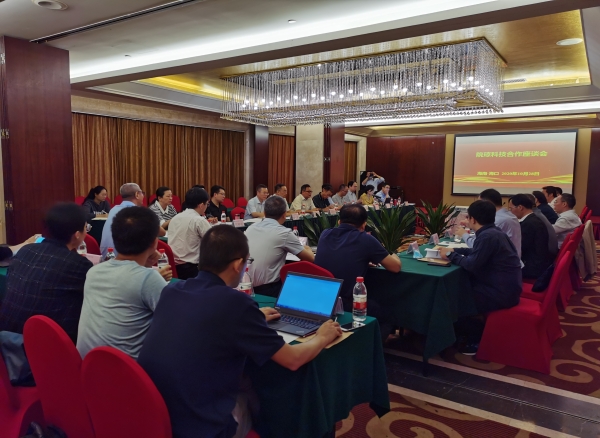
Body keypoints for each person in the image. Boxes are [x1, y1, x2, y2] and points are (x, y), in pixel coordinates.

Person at [137, 225, 342, 438]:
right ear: (237, 265)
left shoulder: (172, 290)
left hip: (159, 413)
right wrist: (322, 337)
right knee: (266, 399)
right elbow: (293, 360)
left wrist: (253, 319)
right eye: (247, 262)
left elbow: (208, 320)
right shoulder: (235, 303)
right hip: (204, 425)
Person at [77, 207, 172, 359]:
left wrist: (145, 266)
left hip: (89, 366)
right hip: (126, 370)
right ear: (155, 242)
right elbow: (175, 322)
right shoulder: (148, 279)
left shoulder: (94, 272)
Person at [0, 203, 93, 342]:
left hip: (7, 339)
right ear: (77, 234)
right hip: (44, 344)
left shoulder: (26, 250)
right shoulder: (80, 265)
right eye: (86, 227)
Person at [439, 201, 522, 354]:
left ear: (473, 219)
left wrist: (450, 254)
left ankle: (473, 338)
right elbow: (477, 253)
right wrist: (455, 250)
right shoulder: (493, 232)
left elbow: (471, 265)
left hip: (500, 294)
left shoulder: (487, 236)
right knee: (458, 289)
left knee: (452, 297)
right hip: (506, 287)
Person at [315, 204, 401, 336]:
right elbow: (395, 267)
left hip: (319, 298)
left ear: (339, 221)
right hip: (344, 304)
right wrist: (394, 255)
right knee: (387, 315)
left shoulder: (325, 234)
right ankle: (372, 347)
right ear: (364, 225)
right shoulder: (366, 239)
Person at [244, 196, 314, 297]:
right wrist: (307, 248)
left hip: (245, 286)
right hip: (268, 290)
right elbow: (310, 258)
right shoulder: (284, 233)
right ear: (284, 215)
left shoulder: (250, 228)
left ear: (264, 212)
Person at [456, 188, 521, 259]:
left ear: (488, 204)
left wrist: (464, 234)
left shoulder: (498, 220)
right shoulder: (509, 215)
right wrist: (472, 225)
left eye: (480, 204)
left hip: (502, 261)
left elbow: (478, 245)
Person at [168, 187, 212, 279]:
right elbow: (213, 242)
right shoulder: (199, 220)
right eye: (207, 204)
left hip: (173, 267)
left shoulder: (175, 218)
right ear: (201, 205)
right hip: (192, 269)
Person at [508, 194, 553, 279]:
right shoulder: (532, 219)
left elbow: (520, 248)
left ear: (520, 207)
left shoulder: (529, 224)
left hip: (532, 267)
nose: (510, 212)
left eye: (511, 208)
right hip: (537, 263)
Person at [101, 183, 149, 257]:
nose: (143, 196)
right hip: (122, 258)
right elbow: (160, 232)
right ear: (137, 194)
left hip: (106, 256)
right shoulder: (137, 212)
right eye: (142, 193)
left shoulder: (113, 209)